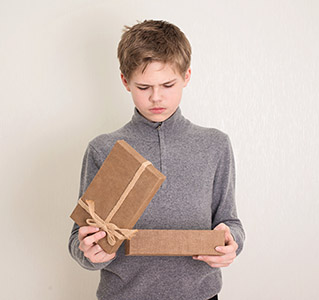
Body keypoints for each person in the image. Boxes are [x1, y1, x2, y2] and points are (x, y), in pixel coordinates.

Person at [68, 19, 245, 300]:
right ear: (125, 82)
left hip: (200, 295)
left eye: (168, 84)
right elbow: (80, 239)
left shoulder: (215, 145)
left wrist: (231, 241)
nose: (156, 97)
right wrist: (89, 253)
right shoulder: (103, 149)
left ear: (187, 76)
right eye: (143, 87)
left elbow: (229, 221)